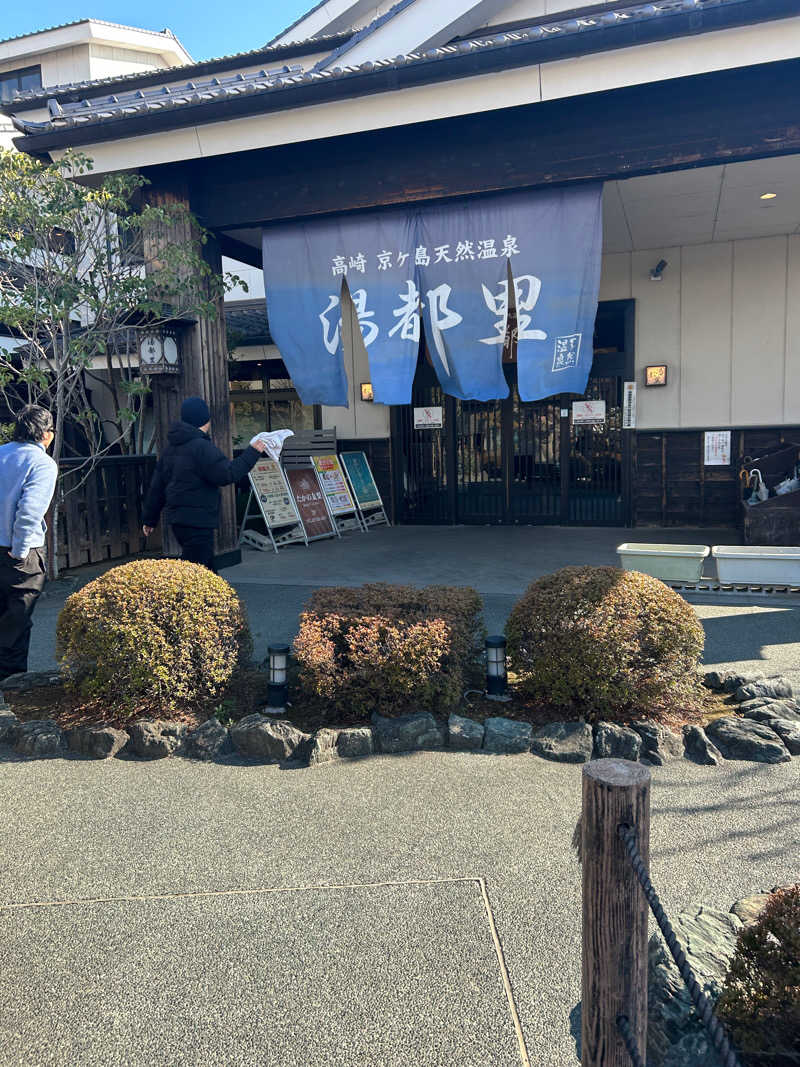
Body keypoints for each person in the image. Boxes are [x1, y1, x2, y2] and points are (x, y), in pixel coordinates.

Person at [142, 396, 267, 571]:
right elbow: (227, 474)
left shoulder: (171, 449)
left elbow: (157, 487)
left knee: (202, 569)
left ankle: (214, 597)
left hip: (178, 520)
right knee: (198, 573)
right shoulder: (202, 448)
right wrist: (253, 452)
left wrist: (150, 519)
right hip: (198, 521)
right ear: (205, 420)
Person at [0, 405, 58, 683]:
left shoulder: (1, 454)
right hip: (22, 553)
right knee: (17, 623)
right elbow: (30, 511)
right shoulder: (42, 463)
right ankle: (11, 692)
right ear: (47, 434)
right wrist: (20, 550)